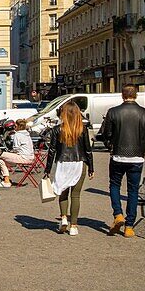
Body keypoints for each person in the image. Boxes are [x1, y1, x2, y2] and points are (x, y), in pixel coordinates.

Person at [99, 87, 145, 237]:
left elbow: (106, 133)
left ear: (123, 96)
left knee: (114, 185)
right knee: (133, 191)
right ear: (136, 95)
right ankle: (129, 226)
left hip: (118, 155)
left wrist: (110, 146)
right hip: (137, 156)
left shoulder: (113, 112)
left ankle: (118, 214)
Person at [45, 101, 93, 236]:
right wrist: (91, 167)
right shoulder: (82, 129)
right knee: (76, 195)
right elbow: (88, 150)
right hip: (79, 163)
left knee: (63, 192)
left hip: (63, 163)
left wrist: (47, 169)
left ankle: (64, 218)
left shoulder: (57, 129)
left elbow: (52, 150)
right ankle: (74, 226)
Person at [0, 118, 35, 187]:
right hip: (31, 157)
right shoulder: (27, 134)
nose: (14, 127)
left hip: (23, 157)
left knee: (1, 154)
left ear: (18, 126)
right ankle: (6, 180)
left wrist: (10, 151)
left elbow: (16, 148)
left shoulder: (17, 135)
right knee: (1, 160)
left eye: (15, 126)